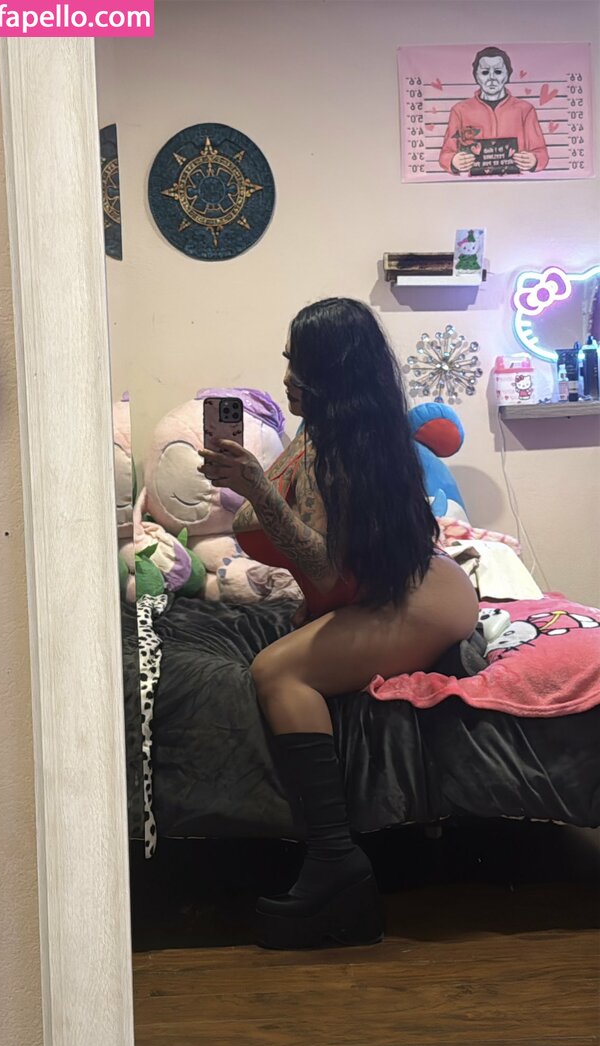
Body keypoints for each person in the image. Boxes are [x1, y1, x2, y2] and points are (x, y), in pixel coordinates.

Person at [198, 298, 479, 949]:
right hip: (387, 589)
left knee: (277, 672)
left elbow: (325, 568)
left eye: (299, 362)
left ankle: (336, 864)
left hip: (425, 597)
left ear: (333, 370)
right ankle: (335, 868)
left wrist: (258, 488)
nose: (285, 375)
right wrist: (249, 481)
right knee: (287, 652)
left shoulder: (352, 452)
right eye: (287, 359)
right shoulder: (316, 433)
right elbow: (269, 530)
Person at [439, 46, 549, 175]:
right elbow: (446, 154)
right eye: (485, 72)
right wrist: (453, 162)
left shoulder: (525, 109)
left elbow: (541, 153)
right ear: (476, 76)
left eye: (498, 71)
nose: (492, 78)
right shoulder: (460, 111)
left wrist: (534, 160)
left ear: (507, 75)